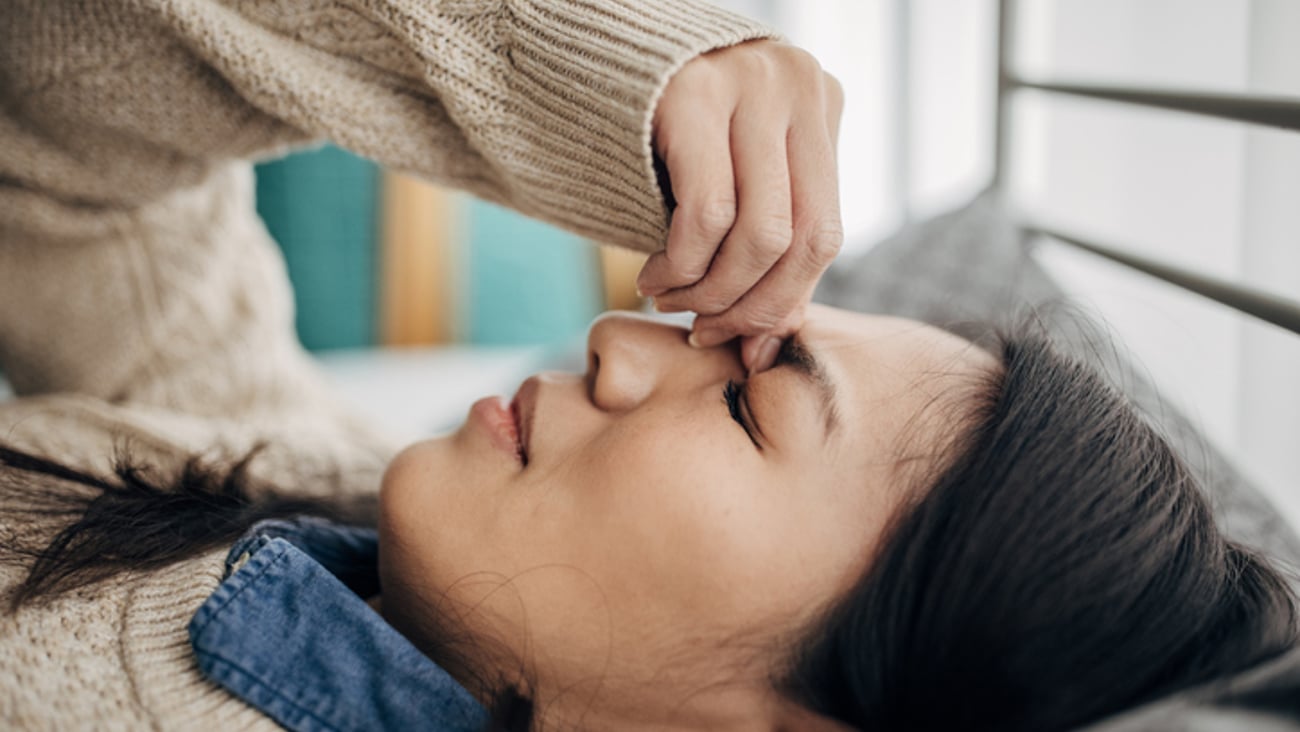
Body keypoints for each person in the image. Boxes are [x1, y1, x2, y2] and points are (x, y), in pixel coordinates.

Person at [1, 1, 1296, 730]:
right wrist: (603, 84)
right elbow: (59, 153)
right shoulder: (307, 492)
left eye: (744, 402)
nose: (619, 341)